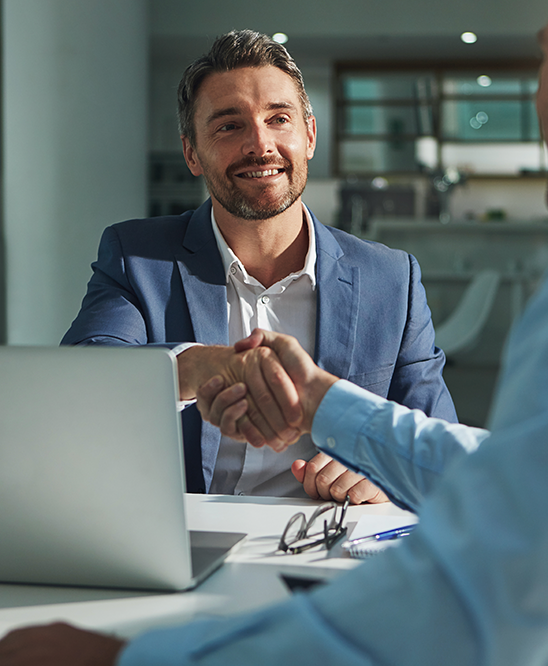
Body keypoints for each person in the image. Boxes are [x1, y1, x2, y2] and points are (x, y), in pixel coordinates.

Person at [0, 0, 548, 663]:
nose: (535, 95)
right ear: (194, 149)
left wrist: (137, 658)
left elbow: (483, 591)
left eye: (541, 58)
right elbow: (513, 484)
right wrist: (326, 407)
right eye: (228, 123)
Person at [60, 30, 456, 503]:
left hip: (327, 544)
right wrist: (201, 366)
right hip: (181, 545)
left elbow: (439, 446)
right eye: (229, 126)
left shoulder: (391, 280)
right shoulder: (135, 257)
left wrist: (388, 474)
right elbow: (80, 380)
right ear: (192, 152)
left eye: (278, 119)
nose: (260, 144)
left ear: (309, 135)